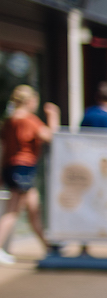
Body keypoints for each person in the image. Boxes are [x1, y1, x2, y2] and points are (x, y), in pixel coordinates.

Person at [0, 86, 60, 264]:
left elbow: (4, 149)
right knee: (12, 212)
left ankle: (49, 248)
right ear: (29, 101)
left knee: (34, 210)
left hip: (13, 167)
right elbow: (51, 137)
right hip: (23, 168)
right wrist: (53, 116)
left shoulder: (9, 121)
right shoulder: (29, 120)